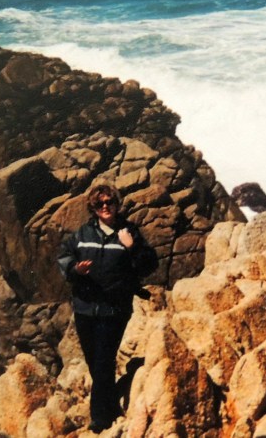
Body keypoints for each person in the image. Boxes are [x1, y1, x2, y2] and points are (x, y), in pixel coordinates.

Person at [57, 184, 158, 432]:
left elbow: (149, 264)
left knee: (103, 360)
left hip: (114, 309)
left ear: (116, 204)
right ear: (92, 207)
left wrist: (132, 247)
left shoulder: (128, 232)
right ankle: (111, 404)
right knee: (94, 362)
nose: (105, 207)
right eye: (99, 203)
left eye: (109, 202)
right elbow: (64, 257)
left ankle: (100, 420)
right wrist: (75, 269)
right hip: (85, 308)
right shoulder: (82, 234)